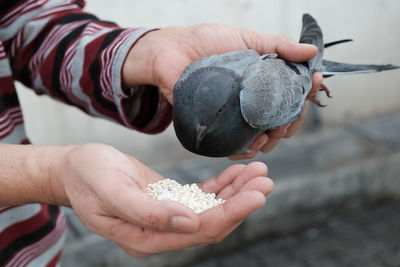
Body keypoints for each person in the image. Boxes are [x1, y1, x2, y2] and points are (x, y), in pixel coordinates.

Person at [0, 0, 323, 265]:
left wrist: (149, 52)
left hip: (32, 249)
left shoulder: (235, 93)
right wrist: (48, 176)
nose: (199, 129)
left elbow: (27, 22)